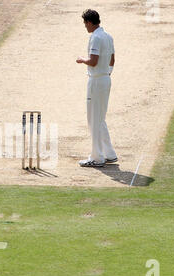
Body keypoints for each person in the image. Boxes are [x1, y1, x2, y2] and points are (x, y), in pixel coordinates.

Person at [76, 9, 118, 167]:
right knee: (99, 118)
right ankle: (109, 154)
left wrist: (82, 60)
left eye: (85, 23)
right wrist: (107, 73)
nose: (85, 27)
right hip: (105, 79)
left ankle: (97, 157)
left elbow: (93, 61)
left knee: (93, 119)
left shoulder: (96, 37)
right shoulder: (108, 36)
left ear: (89, 22)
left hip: (96, 81)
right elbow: (112, 59)